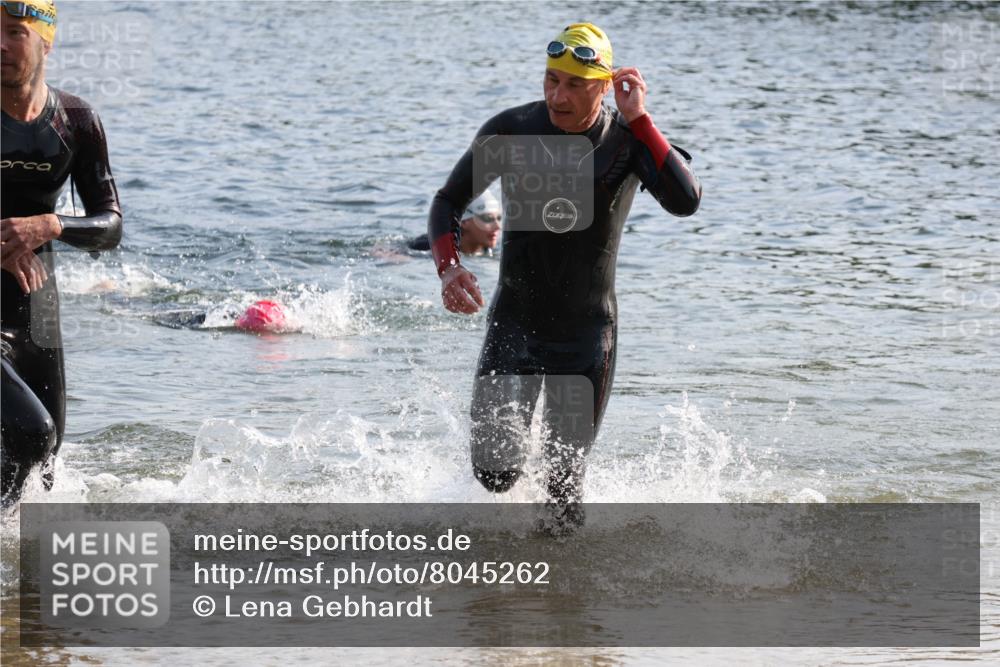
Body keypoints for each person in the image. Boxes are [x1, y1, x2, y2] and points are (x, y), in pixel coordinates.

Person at [427, 23, 701, 509]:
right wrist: (450, 268)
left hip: (585, 336)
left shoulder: (628, 140)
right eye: (552, 79)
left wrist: (641, 120)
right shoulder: (511, 130)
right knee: (494, 473)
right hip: (515, 324)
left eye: (575, 84)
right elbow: (448, 200)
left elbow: (685, 201)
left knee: (562, 488)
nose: (558, 96)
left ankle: (560, 558)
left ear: (605, 85)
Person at [1, 0, 123, 506]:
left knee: (42, 472)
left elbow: (110, 226)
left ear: (46, 41)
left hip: (37, 314)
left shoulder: (76, 121)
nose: (0, 45)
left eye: (15, 32)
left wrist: (51, 225)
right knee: (33, 434)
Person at [409, 190, 502, 256]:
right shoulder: (430, 247)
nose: (498, 227)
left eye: (499, 218)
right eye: (487, 219)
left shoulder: (497, 251)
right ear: (464, 222)